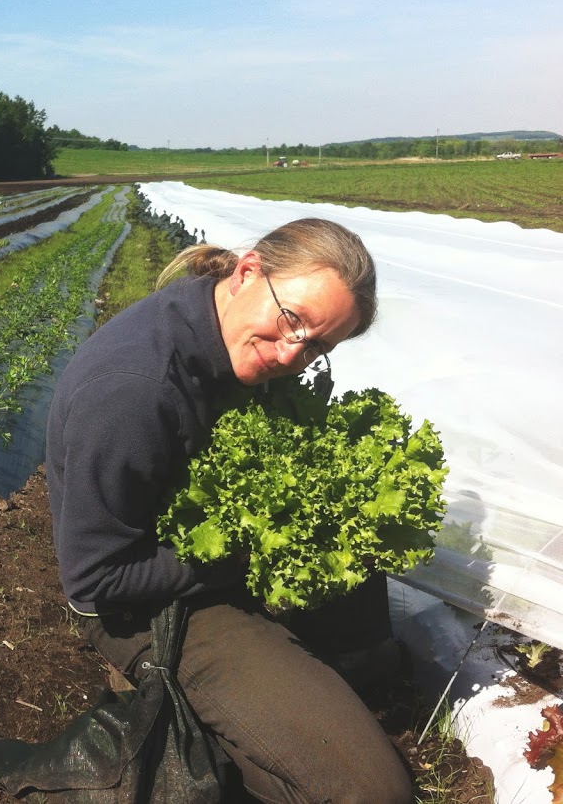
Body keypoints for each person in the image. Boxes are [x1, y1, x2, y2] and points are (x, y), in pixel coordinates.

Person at [45, 218, 413, 803]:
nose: (295, 353)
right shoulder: (134, 389)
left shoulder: (225, 327)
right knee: (372, 793)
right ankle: (209, 743)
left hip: (204, 559)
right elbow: (93, 581)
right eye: (292, 320)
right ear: (247, 273)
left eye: (318, 345)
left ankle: (326, 692)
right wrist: (243, 561)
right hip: (143, 600)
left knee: (359, 573)